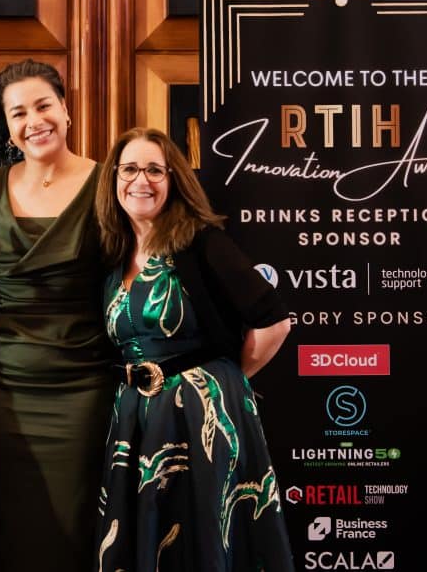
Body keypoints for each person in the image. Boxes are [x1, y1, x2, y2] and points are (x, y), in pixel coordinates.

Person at [92, 127, 293, 572]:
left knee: (201, 542)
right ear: (113, 179)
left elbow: (275, 322)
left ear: (173, 180)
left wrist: (225, 381)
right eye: (129, 169)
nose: (141, 180)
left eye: (154, 170)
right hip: (135, 418)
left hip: (199, 417)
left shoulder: (200, 242)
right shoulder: (114, 251)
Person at [0, 59, 114, 572]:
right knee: (10, 526)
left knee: (75, 525)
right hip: (6, 387)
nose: (33, 121)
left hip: (84, 385)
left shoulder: (108, 184)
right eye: (18, 113)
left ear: (66, 109)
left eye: (43, 106)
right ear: (8, 126)